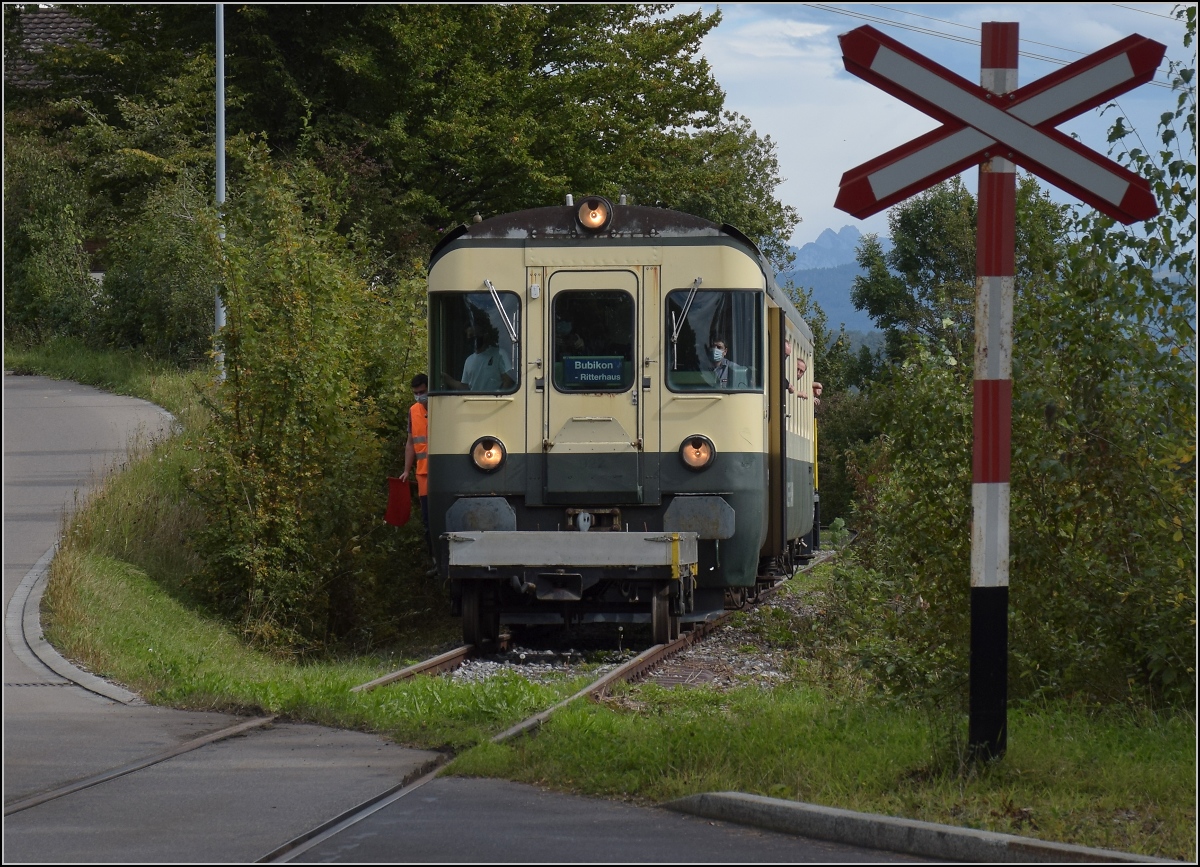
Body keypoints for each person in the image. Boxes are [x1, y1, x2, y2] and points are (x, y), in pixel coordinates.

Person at [400, 373, 437, 576]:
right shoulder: (413, 411)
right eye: (416, 393)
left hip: (443, 475)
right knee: (428, 523)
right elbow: (410, 443)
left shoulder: (442, 408)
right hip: (423, 475)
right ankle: (435, 561)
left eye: (422, 392)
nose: (419, 396)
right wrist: (406, 470)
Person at [442, 316, 515, 391]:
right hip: (474, 402)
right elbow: (465, 387)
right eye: (470, 336)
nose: (474, 338)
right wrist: (446, 378)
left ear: (484, 335)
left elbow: (508, 380)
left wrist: (497, 397)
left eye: (476, 335)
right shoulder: (469, 360)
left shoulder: (499, 354)